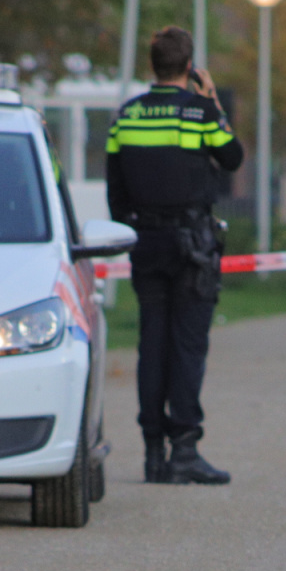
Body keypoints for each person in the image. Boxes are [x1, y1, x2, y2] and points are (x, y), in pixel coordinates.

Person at [105, 26, 245, 485]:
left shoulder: (126, 117)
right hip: (192, 247)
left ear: (153, 64)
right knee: (186, 348)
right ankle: (184, 449)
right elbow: (232, 158)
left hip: (146, 242)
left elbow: (115, 190)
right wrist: (215, 105)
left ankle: (152, 453)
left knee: (152, 347)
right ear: (189, 67)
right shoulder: (199, 113)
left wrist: (137, 224)